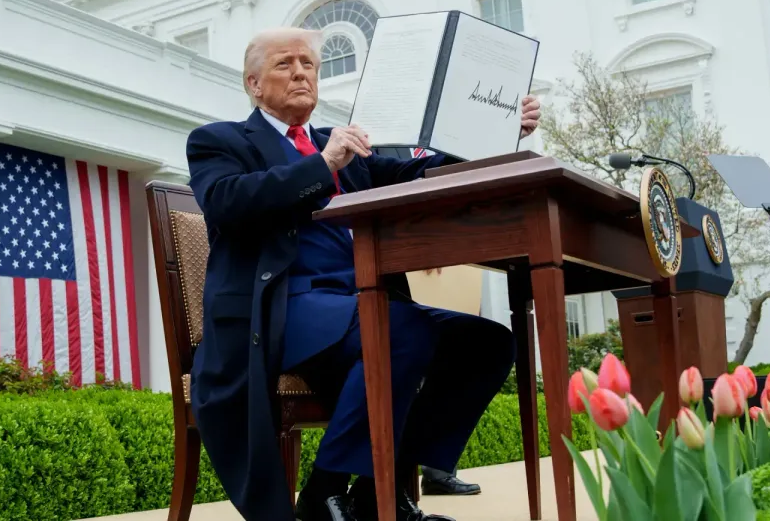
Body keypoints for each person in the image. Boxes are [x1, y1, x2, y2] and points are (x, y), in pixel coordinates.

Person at [185, 27, 541, 521]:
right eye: (285, 64)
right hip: (280, 312)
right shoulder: (219, 141)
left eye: (308, 64)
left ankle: (380, 493)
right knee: (399, 327)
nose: (301, 73)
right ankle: (323, 493)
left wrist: (495, 132)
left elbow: (419, 173)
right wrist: (321, 167)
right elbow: (225, 203)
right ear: (253, 84)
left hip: (362, 301)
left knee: (487, 342)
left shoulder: (341, 143)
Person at [372, 146, 483, 498]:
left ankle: (432, 469)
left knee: (476, 346)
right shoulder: (371, 143)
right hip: (381, 274)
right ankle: (390, 482)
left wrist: (502, 127)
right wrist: (416, 241)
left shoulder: (444, 142)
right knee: (412, 348)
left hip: (445, 268)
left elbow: (459, 176)